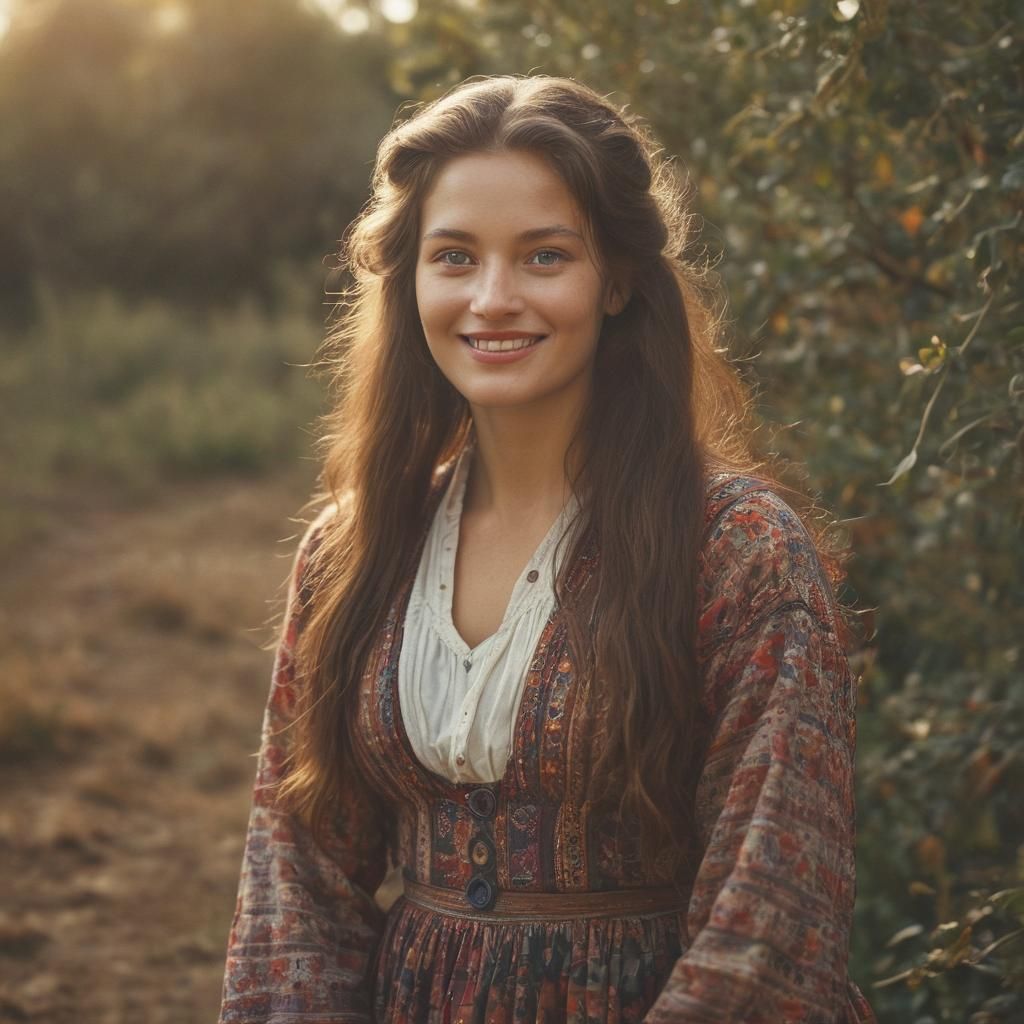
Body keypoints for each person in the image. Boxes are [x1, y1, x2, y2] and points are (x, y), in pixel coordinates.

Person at [218, 74, 876, 1024]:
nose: (492, 298)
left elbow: (770, 917)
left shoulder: (737, 550)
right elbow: (296, 880)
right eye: (454, 256)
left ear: (614, 279)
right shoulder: (355, 547)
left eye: (543, 256)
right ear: (410, 280)